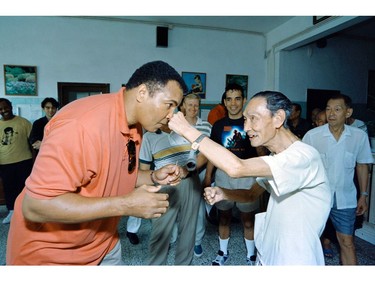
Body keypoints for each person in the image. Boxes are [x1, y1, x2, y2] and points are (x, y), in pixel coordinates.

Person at [6, 60, 187, 265]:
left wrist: (153, 176)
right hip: (53, 255)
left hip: (104, 242)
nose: (172, 116)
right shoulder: (80, 126)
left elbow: (116, 172)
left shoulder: (135, 125)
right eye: (170, 105)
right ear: (142, 93)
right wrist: (126, 204)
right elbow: (36, 206)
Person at [168, 90, 332, 265]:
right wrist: (224, 193)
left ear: (278, 118)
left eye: (253, 118)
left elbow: (237, 167)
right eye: (245, 119)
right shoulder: (276, 158)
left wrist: (187, 130)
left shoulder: (302, 157)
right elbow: (251, 194)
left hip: (295, 258)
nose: (246, 128)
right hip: (270, 250)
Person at [303, 93, 373, 265]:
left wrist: (363, 195)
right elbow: (301, 166)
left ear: (348, 112)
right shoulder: (313, 136)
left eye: (337, 109)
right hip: (315, 198)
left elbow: (362, 165)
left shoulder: (359, 136)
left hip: (345, 199)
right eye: (328, 109)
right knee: (306, 241)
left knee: (347, 243)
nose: (331, 113)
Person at [202, 83, 261, 266]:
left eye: (237, 98)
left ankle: (251, 255)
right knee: (224, 217)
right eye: (229, 99)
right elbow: (213, 153)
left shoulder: (251, 122)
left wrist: (263, 175)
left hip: (247, 177)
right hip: (224, 177)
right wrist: (207, 176)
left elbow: (260, 151)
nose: (233, 103)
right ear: (224, 102)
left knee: (248, 220)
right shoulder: (219, 125)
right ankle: (222, 252)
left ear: (244, 100)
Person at [144, 123, 207, 265]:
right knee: (160, 233)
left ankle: (183, 266)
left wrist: (186, 169)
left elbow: (203, 155)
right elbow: (144, 168)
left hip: (190, 181)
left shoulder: (186, 130)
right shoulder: (149, 136)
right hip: (164, 186)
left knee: (188, 230)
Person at [180, 93, 212, 257]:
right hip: (179, 171)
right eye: (190, 105)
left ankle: (197, 241)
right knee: (176, 206)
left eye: (196, 105)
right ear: (183, 105)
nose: (193, 108)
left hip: (199, 172)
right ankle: (176, 238)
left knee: (199, 209)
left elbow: (209, 152)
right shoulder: (176, 125)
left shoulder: (206, 126)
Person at [0, 98, 33, 224]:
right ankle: (12, 211)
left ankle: (26, 211)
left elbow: (32, 143)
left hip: (24, 161)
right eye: (1, 109)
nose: (4, 111)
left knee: (25, 187)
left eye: (5, 107)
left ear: (11, 106)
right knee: (9, 188)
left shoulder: (24, 122)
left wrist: (35, 161)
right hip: (5, 163)